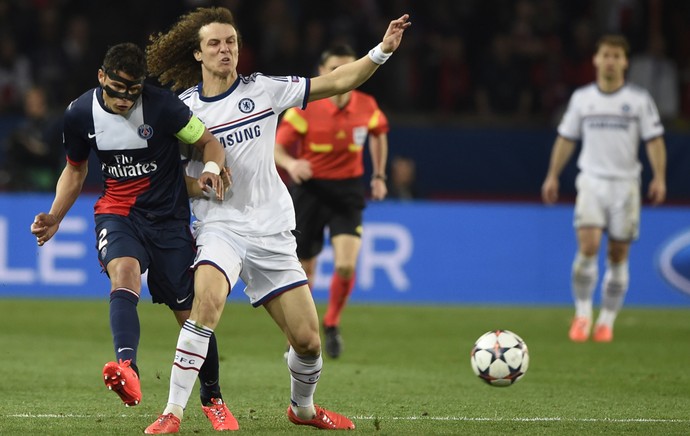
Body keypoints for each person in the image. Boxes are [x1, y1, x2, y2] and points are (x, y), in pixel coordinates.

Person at [144, 6, 410, 433]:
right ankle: (171, 413)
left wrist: (382, 50)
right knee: (206, 305)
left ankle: (302, 409)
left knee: (307, 342)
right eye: (214, 43)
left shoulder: (265, 90)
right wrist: (201, 186)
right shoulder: (182, 111)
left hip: (272, 231)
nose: (224, 49)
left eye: (230, 42)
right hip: (219, 227)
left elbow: (338, 80)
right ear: (197, 54)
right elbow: (166, 178)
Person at [28, 42, 238, 431]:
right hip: (118, 214)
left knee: (191, 317)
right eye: (117, 89)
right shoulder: (78, 114)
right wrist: (56, 216)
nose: (125, 99)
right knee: (123, 273)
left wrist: (210, 167)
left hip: (169, 221)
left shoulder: (163, 106)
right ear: (101, 77)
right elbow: (75, 170)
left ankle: (213, 398)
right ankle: (128, 367)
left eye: (133, 91)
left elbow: (209, 141)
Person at [541, 34, 667, 343]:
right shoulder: (583, 98)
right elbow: (566, 138)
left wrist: (660, 176)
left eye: (616, 56)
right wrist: (552, 175)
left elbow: (654, 140)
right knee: (588, 246)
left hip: (625, 185)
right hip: (592, 181)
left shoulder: (638, 100)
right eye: (605, 55)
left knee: (617, 253)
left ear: (625, 62)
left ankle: (606, 321)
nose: (610, 61)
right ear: (596, 60)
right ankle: (583, 314)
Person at [274, 43, 390, 359]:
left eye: (348, 68)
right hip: (310, 191)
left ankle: (332, 323)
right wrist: (292, 164)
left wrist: (379, 175)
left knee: (346, 264)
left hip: (348, 192)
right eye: (336, 69)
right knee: (305, 271)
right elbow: (277, 149)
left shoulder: (367, 105)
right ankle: (298, 335)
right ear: (323, 73)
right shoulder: (305, 106)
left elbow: (379, 133)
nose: (343, 75)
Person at [1, 86, 63, 191]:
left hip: (48, 170)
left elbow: (47, 151)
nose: (31, 106)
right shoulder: (23, 125)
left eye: (35, 102)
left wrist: (28, 143)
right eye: (28, 102)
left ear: (44, 102)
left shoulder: (54, 123)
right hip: (24, 171)